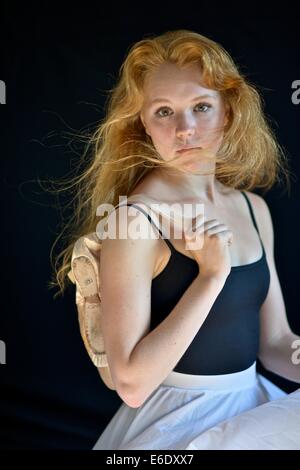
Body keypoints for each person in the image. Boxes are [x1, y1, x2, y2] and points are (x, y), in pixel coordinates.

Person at [51, 29, 300, 450]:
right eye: (164, 112)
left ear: (228, 112)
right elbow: (131, 383)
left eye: (201, 106)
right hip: (175, 425)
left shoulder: (253, 209)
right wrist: (210, 275)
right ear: (143, 124)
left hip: (250, 407)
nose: (185, 129)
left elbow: (274, 342)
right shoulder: (134, 220)